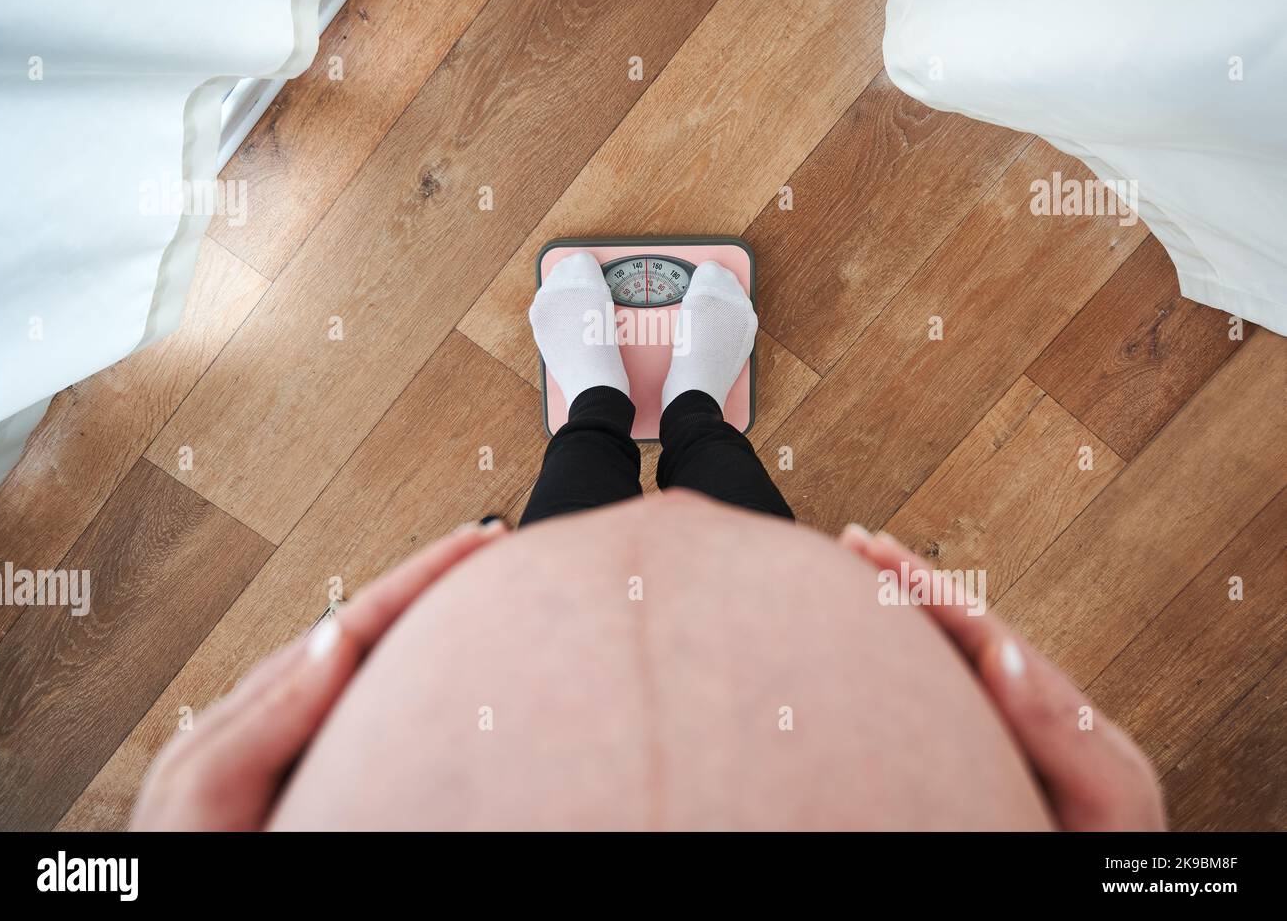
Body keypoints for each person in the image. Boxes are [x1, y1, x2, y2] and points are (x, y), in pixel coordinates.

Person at [132, 255, 1164, 831]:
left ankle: (598, 396)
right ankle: (692, 404)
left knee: (581, 466)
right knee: (721, 483)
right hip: (802, 624)